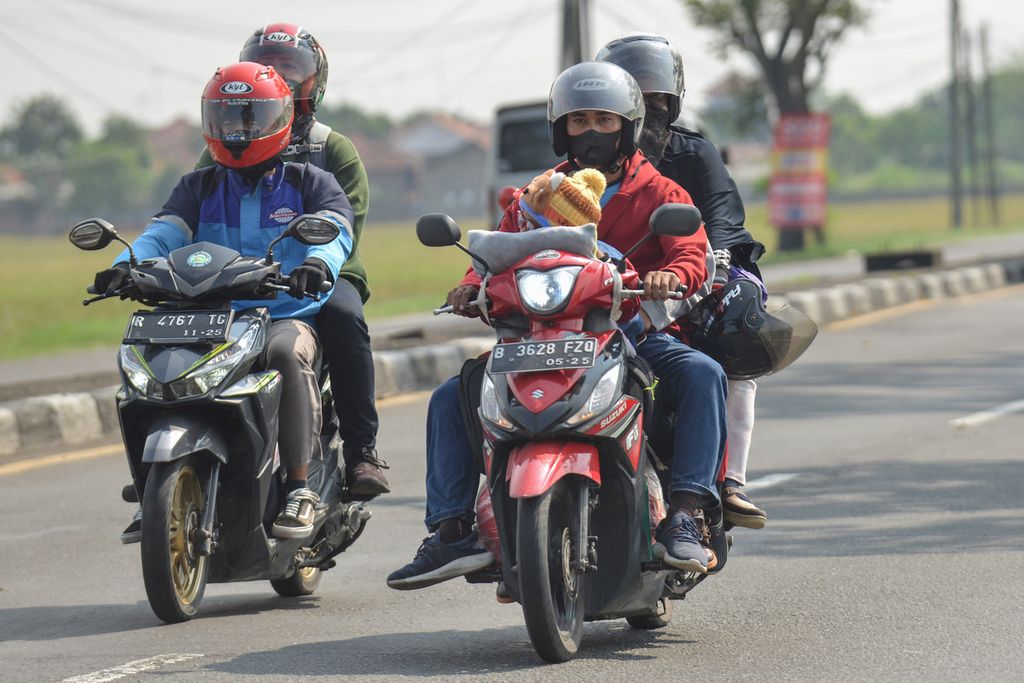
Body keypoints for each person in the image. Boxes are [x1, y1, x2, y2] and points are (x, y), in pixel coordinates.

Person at [386, 61, 727, 590]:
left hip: (631, 338)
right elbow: (494, 256)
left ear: (630, 126)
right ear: (559, 129)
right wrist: (467, 285)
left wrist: (669, 275)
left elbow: (691, 253)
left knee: (703, 373)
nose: (591, 132)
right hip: (540, 342)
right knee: (451, 396)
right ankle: (451, 530)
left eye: (604, 120)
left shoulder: (660, 193)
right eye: (578, 121)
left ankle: (686, 513)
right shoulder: (535, 197)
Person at [118, 24, 386, 545]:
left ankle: (343, 461)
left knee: (327, 330)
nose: (239, 130)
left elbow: (338, 226)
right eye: (228, 118)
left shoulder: (324, 162)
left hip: (299, 291)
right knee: (150, 346)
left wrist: (316, 264)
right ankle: (152, 480)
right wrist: (126, 264)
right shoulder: (205, 176)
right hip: (219, 293)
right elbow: (166, 228)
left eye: (253, 116)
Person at [597, 33, 768, 529]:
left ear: (671, 106)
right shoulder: (578, 169)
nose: (645, 116)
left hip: (704, 269)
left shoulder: (692, 155)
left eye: (655, 104)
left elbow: (721, 216)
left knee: (736, 331)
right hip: (619, 284)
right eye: (632, 105)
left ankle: (728, 481)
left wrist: (702, 261)